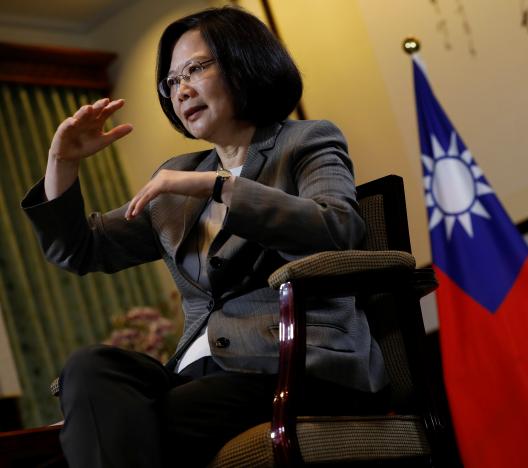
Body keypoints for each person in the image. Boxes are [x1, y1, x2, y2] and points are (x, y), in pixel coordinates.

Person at [21, 6, 388, 468]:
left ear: (244, 62)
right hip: (199, 375)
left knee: (84, 452)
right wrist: (63, 162)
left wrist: (219, 186)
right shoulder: (177, 175)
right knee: (91, 367)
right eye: (172, 81)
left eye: (196, 69)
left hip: (293, 366)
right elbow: (79, 249)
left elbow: (338, 230)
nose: (182, 90)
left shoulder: (305, 141)